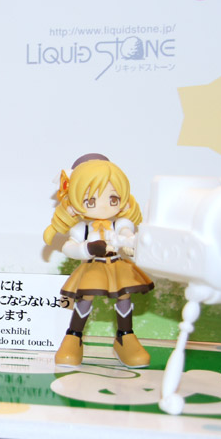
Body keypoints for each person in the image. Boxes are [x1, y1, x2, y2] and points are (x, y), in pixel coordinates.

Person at [43, 154, 153, 368]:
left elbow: (127, 235)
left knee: (124, 296)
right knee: (85, 298)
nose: (103, 206)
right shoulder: (81, 228)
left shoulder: (120, 223)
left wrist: (130, 244)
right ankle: (73, 336)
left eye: (113, 199)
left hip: (117, 265)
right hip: (93, 267)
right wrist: (88, 249)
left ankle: (125, 336)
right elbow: (68, 247)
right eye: (91, 201)